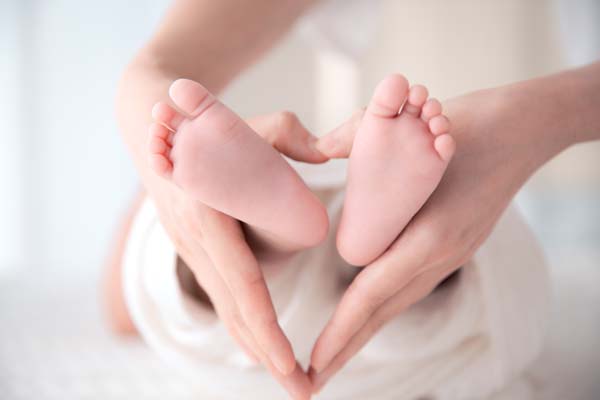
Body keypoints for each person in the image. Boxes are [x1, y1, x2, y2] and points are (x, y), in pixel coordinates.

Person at [106, 0, 600, 398]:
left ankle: (267, 238)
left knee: (140, 288)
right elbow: (159, 69)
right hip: (429, 301)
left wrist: (522, 121)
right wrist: (140, 84)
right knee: (469, 281)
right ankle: (374, 239)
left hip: (422, 192)